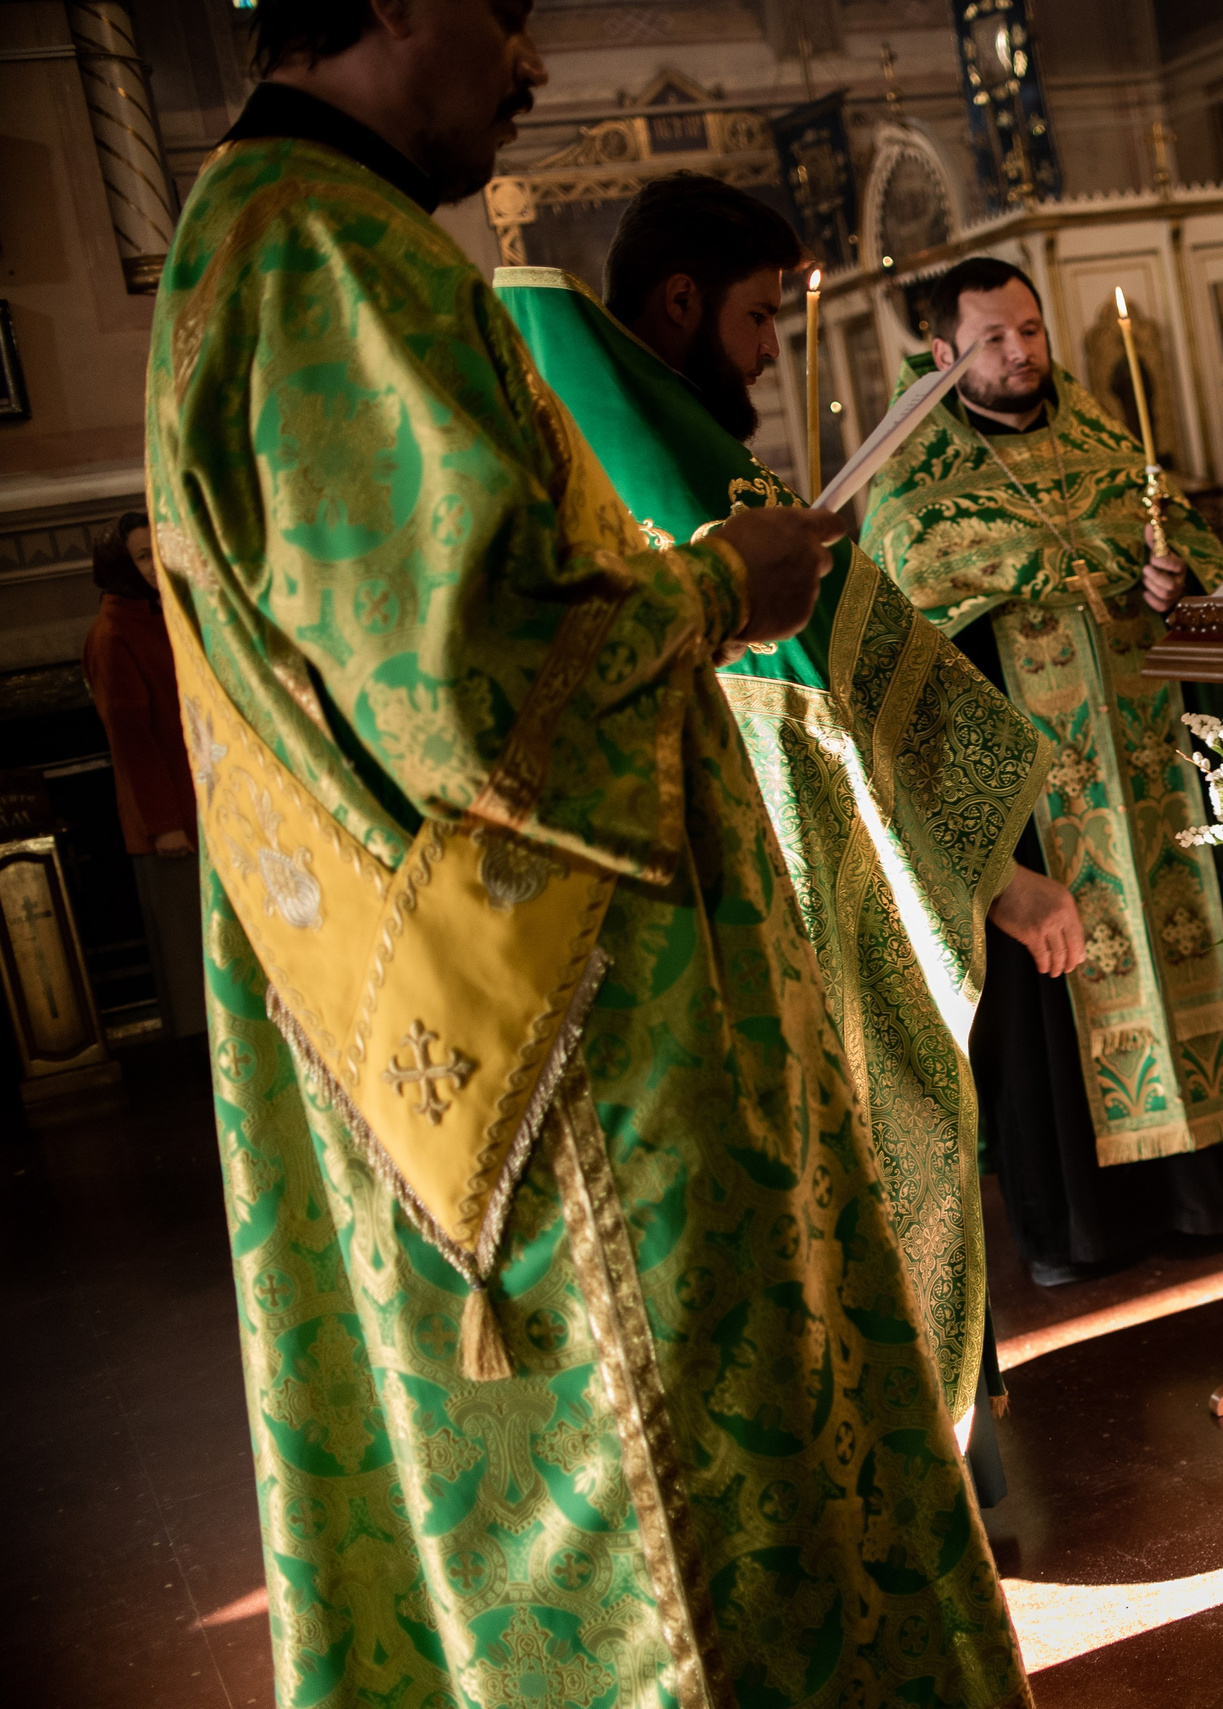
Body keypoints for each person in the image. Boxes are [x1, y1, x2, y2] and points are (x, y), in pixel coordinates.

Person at [144, 3, 1026, 1704]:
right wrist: (719, 586)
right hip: (549, 1061)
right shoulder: (322, 259)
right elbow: (474, 685)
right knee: (678, 1547)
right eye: (509, 14)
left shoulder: (276, 242)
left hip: (470, 1031)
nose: (533, 67)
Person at [493, 172, 1059, 1457]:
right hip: (750, 890)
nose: (764, 350)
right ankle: (891, 1434)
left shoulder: (589, 413)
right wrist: (997, 867)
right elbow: (828, 657)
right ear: (680, 299)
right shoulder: (664, 444)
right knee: (876, 1114)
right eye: (755, 319)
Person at [863, 256, 1223, 1285]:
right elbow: (902, 652)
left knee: (1186, 944)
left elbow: (1199, 608)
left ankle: (1213, 1193)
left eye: (1031, 331)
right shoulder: (905, 482)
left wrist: (1171, 583)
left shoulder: (1111, 444)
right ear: (941, 356)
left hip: (1153, 768)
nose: (1021, 354)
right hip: (1030, 797)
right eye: (994, 339)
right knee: (1051, 1003)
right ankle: (1084, 1226)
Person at [81, 514, 205, 1038]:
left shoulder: (165, 614)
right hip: (168, 819)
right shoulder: (112, 634)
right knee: (187, 945)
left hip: (199, 803)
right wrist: (163, 823)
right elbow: (130, 739)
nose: (154, 565)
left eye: (156, 550)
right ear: (119, 566)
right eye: (140, 556)